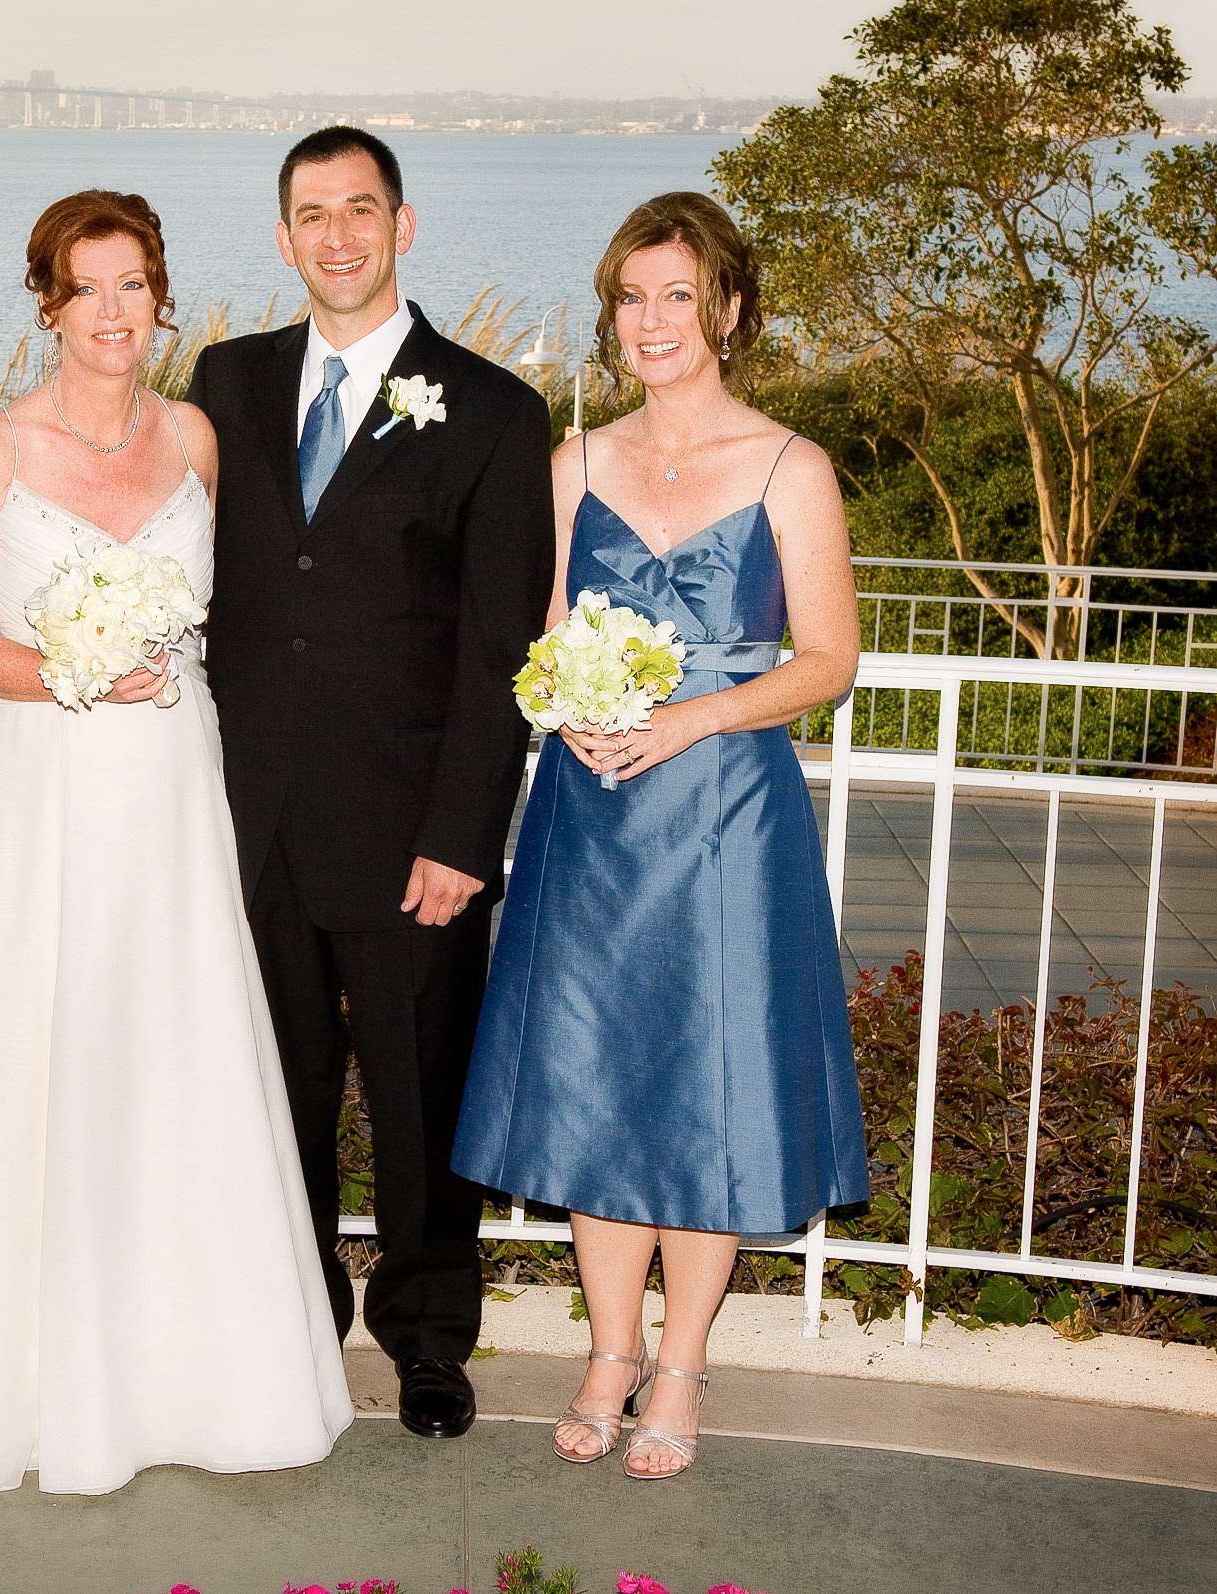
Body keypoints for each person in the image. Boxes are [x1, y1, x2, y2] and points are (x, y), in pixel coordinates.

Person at [0, 190, 354, 1497]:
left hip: (177, 788)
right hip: (49, 787)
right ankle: (19, 1381)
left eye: (136, 284)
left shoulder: (199, 434)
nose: (116, 311)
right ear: (50, 304)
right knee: (41, 1051)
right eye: (90, 289)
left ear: (160, 295)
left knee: (173, 1050)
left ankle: (194, 1371)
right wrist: (67, 665)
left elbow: (270, 595)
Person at [452, 191, 870, 1480]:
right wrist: (565, 701)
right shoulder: (575, 466)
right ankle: (609, 1349)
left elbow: (832, 661)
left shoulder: (790, 467)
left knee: (709, 1079)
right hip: (594, 812)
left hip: (729, 821)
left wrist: (694, 720)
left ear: (729, 311)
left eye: (677, 296)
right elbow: (530, 640)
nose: (651, 322)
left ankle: (682, 1360)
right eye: (631, 298)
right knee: (590, 1072)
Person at [182, 127, 557, 1439]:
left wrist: (464, 830)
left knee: (418, 1089)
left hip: (411, 829)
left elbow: (504, 645)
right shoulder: (223, 380)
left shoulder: (496, 410)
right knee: (266, 1080)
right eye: (311, 214)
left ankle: (426, 1331)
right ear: (283, 237)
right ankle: (284, 1316)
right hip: (248, 815)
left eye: (360, 210)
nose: (336, 235)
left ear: (404, 224)